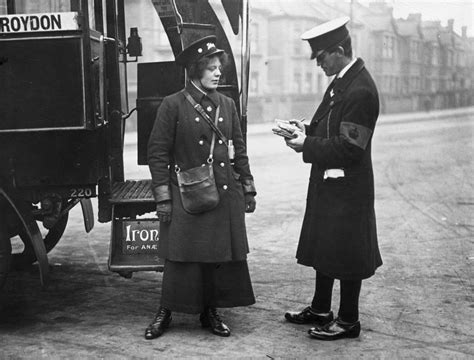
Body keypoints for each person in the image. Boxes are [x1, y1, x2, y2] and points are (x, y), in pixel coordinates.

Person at [146, 35, 257, 340]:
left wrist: (247, 187)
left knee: (215, 256)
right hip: (187, 193)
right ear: (195, 71)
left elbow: (239, 148)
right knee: (179, 256)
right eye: (211, 68)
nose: (218, 73)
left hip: (223, 193)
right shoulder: (173, 105)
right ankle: (165, 310)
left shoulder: (227, 104)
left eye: (219, 67)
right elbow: (156, 153)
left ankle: (210, 311)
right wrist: (164, 199)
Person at [280, 17, 382, 340]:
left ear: (339, 51)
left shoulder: (361, 89)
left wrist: (305, 146)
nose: (319, 64)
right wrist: (304, 130)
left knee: (348, 252)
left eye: (322, 57)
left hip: (349, 188)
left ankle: (349, 320)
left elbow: (350, 149)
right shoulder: (342, 81)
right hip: (331, 184)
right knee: (326, 244)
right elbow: (331, 127)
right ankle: (321, 308)